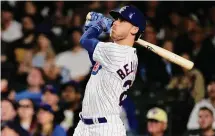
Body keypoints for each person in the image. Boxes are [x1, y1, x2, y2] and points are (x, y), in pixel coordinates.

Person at [73, 5, 146, 136]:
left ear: (134, 29)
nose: (115, 23)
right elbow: (96, 64)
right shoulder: (128, 54)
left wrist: (98, 26)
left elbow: (85, 40)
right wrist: (90, 28)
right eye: (116, 19)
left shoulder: (117, 52)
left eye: (122, 20)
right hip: (85, 126)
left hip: (105, 128)